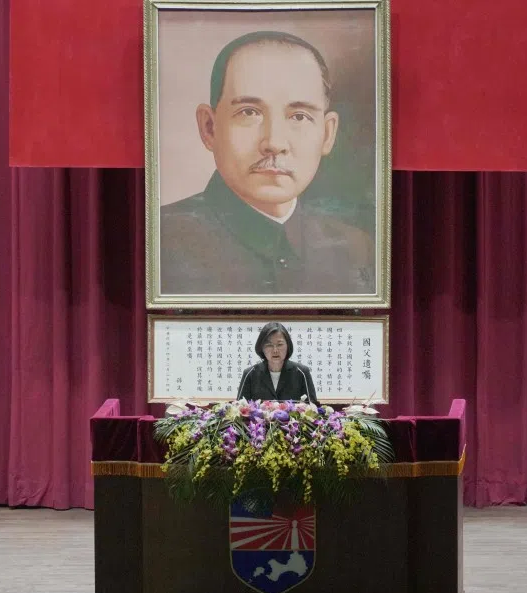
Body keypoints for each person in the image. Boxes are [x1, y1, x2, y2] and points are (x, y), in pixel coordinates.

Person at [159, 31, 375, 296]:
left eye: (299, 116)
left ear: (327, 134)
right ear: (209, 128)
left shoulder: (358, 249)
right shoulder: (158, 241)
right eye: (249, 113)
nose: (274, 142)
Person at [237, 322, 319, 404]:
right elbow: (239, 410)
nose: (275, 350)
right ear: (261, 347)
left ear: (288, 345)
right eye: (269, 345)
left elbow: (312, 409)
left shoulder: (302, 372)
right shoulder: (250, 374)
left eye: (280, 344)